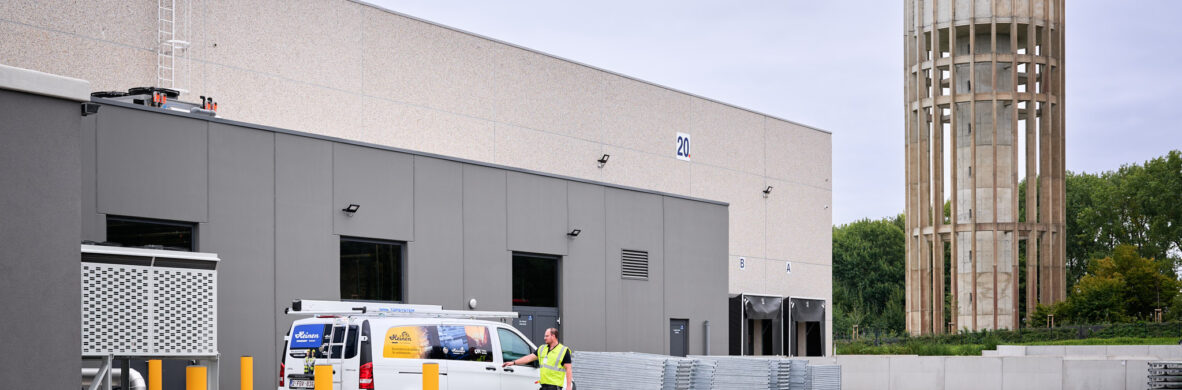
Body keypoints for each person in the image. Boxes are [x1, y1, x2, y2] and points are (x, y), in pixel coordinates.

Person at [502, 328, 573, 389]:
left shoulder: (564, 351)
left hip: (555, 387)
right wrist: (513, 362)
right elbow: (529, 358)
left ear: (553, 336)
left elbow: (568, 369)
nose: (544, 338)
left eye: (547, 336)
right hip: (543, 386)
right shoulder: (542, 348)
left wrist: (568, 386)